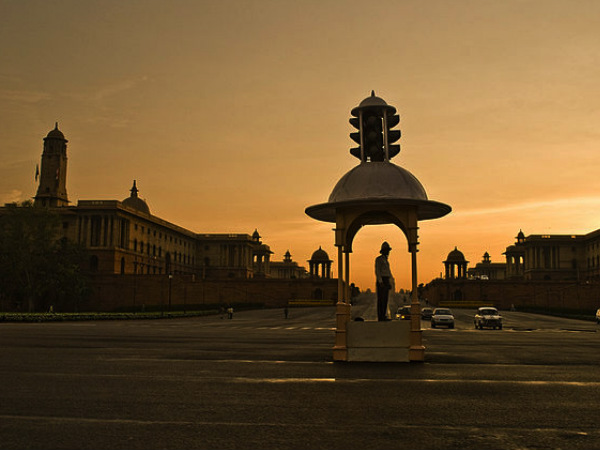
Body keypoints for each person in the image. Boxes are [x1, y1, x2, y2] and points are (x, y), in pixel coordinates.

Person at [375, 241, 394, 321]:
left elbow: (388, 272)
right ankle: (381, 316)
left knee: (385, 299)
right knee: (381, 299)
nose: (388, 252)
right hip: (382, 280)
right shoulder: (379, 259)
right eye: (387, 250)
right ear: (384, 251)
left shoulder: (386, 260)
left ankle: (383, 315)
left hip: (386, 280)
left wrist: (389, 281)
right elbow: (377, 271)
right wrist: (380, 282)